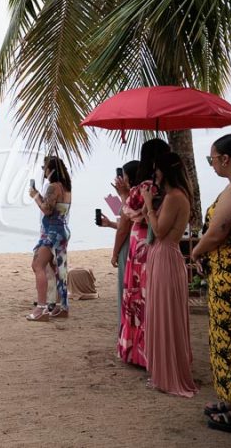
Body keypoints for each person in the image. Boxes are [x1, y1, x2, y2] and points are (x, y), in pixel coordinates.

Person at [191, 134, 231, 432]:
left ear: (226, 159)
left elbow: (219, 231)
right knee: (227, 337)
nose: (211, 163)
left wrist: (196, 251)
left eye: (211, 158)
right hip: (227, 273)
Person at [141, 153, 197, 398]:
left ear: (165, 171)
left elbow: (160, 230)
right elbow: (149, 219)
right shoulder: (175, 196)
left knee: (165, 314)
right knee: (160, 312)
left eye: (157, 170)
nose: (155, 174)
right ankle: (162, 370)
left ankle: (169, 374)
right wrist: (148, 203)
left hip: (166, 255)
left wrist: (148, 202)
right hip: (162, 255)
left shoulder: (175, 197)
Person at [116, 138, 170, 367]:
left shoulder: (143, 187)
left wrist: (122, 194)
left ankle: (137, 351)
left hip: (139, 242)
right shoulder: (167, 186)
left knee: (136, 295)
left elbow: (127, 214)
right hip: (158, 240)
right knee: (150, 295)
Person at [27, 157, 72, 320]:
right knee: (59, 269)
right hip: (62, 230)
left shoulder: (54, 187)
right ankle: (62, 307)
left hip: (52, 232)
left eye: (44, 168)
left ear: (51, 169)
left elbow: (46, 210)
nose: (43, 171)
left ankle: (41, 309)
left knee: (37, 265)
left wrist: (35, 195)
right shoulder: (66, 187)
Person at [97, 160, 140, 326]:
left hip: (129, 247)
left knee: (126, 288)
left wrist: (114, 253)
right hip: (137, 242)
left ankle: (127, 330)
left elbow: (123, 229)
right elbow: (130, 224)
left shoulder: (130, 199)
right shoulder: (142, 196)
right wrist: (110, 224)